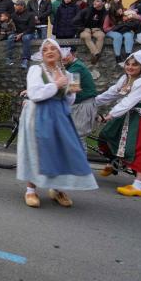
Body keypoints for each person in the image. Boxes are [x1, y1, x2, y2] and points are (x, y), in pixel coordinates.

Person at [17, 38, 97, 208]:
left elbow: (70, 100)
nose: (49, 52)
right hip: (38, 113)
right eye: (45, 50)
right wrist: (56, 84)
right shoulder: (35, 70)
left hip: (60, 114)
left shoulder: (70, 74)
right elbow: (35, 94)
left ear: (60, 53)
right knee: (38, 150)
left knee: (61, 150)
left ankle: (57, 188)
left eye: (53, 49)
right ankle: (30, 190)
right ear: (42, 54)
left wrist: (69, 89)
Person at [96, 50, 141, 197]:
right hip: (130, 114)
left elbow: (128, 101)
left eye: (135, 65)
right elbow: (112, 93)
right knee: (106, 135)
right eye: (128, 64)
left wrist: (109, 115)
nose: (130, 67)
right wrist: (91, 102)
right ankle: (114, 161)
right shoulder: (125, 78)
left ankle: (139, 185)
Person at [62, 46, 98, 148]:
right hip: (79, 105)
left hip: (83, 105)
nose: (63, 58)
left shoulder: (76, 67)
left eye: (66, 55)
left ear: (74, 54)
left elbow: (72, 88)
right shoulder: (71, 66)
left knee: (78, 139)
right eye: (61, 55)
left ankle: (81, 163)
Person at [73, 0, 108, 64]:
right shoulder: (86, 10)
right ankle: (96, 54)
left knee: (101, 36)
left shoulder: (105, 12)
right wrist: (83, 28)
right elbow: (75, 21)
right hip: (84, 30)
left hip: (96, 30)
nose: (95, 2)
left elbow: (106, 24)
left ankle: (95, 56)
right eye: (94, 1)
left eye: (98, 1)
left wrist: (100, 29)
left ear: (103, 3)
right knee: (86, 36)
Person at [6, 0, 36, 69]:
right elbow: (11, 27)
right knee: (10, 37)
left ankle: (25, 59)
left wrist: (21, 34)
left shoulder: (30, 14)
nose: (15, 7)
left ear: (22, 6)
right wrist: (9, 23)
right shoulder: (13, 15)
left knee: (25, 38)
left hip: (29, 33)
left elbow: (31, 28)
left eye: (17, 5)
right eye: (15, 5)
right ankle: (9, 58)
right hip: (17, 33)